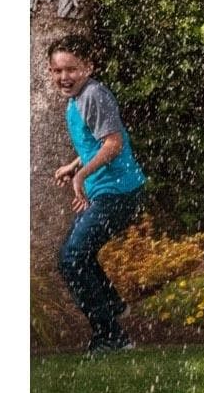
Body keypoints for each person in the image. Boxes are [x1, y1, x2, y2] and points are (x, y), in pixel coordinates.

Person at [48, 33, 147, 358]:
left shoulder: (93, 95)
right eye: (57, 70)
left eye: (71, 69)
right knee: (78, 256)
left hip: (118, 192)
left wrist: (81, 175)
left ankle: (112, 336)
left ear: (88, 67)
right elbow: (97, 139)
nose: (64, 77)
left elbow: (114, 143)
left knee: (72, 258)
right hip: (109, 191)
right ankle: (113, 307)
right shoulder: (78, 99)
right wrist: (73, 164)